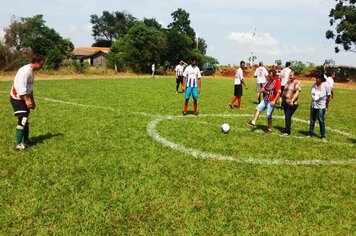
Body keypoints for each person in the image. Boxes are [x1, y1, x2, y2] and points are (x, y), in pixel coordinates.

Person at [10, 54, 45, 151]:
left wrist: (32, 101)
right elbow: (21, 88)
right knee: (23, 119)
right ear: (36, 62)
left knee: (25, 119)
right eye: (41, 64)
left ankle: (26, 140)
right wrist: (27, 100)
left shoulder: (32, 72)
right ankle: (18, 145)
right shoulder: (25, 71)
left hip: (24, 97)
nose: (42, 66)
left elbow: (30, 89)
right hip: (17, 98)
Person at [307, 74, 331, 141]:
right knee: (312, 120)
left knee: (321, 120)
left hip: (321, 106)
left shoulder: (325, 86)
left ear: (321, 79)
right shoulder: (313, 85)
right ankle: (310, 133)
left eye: (318, 78)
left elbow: (329, 96)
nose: (317, 80)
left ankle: (323, 136)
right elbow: (312, 93)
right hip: (313, 105)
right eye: (316, 78)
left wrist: (327, 104)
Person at [281, 70, 301, 136]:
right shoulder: (288, 82)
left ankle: (287, 131)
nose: (290, 76)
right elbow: (284, 91)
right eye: (289, 75)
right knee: (287, 116)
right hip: (286, 102)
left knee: (288, 115)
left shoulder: (297, 82)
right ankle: (286, 128)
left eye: (291, 75)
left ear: (295, 76)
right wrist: (282, 100)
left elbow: (297, 92)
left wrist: (292, 100)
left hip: (293, 103)